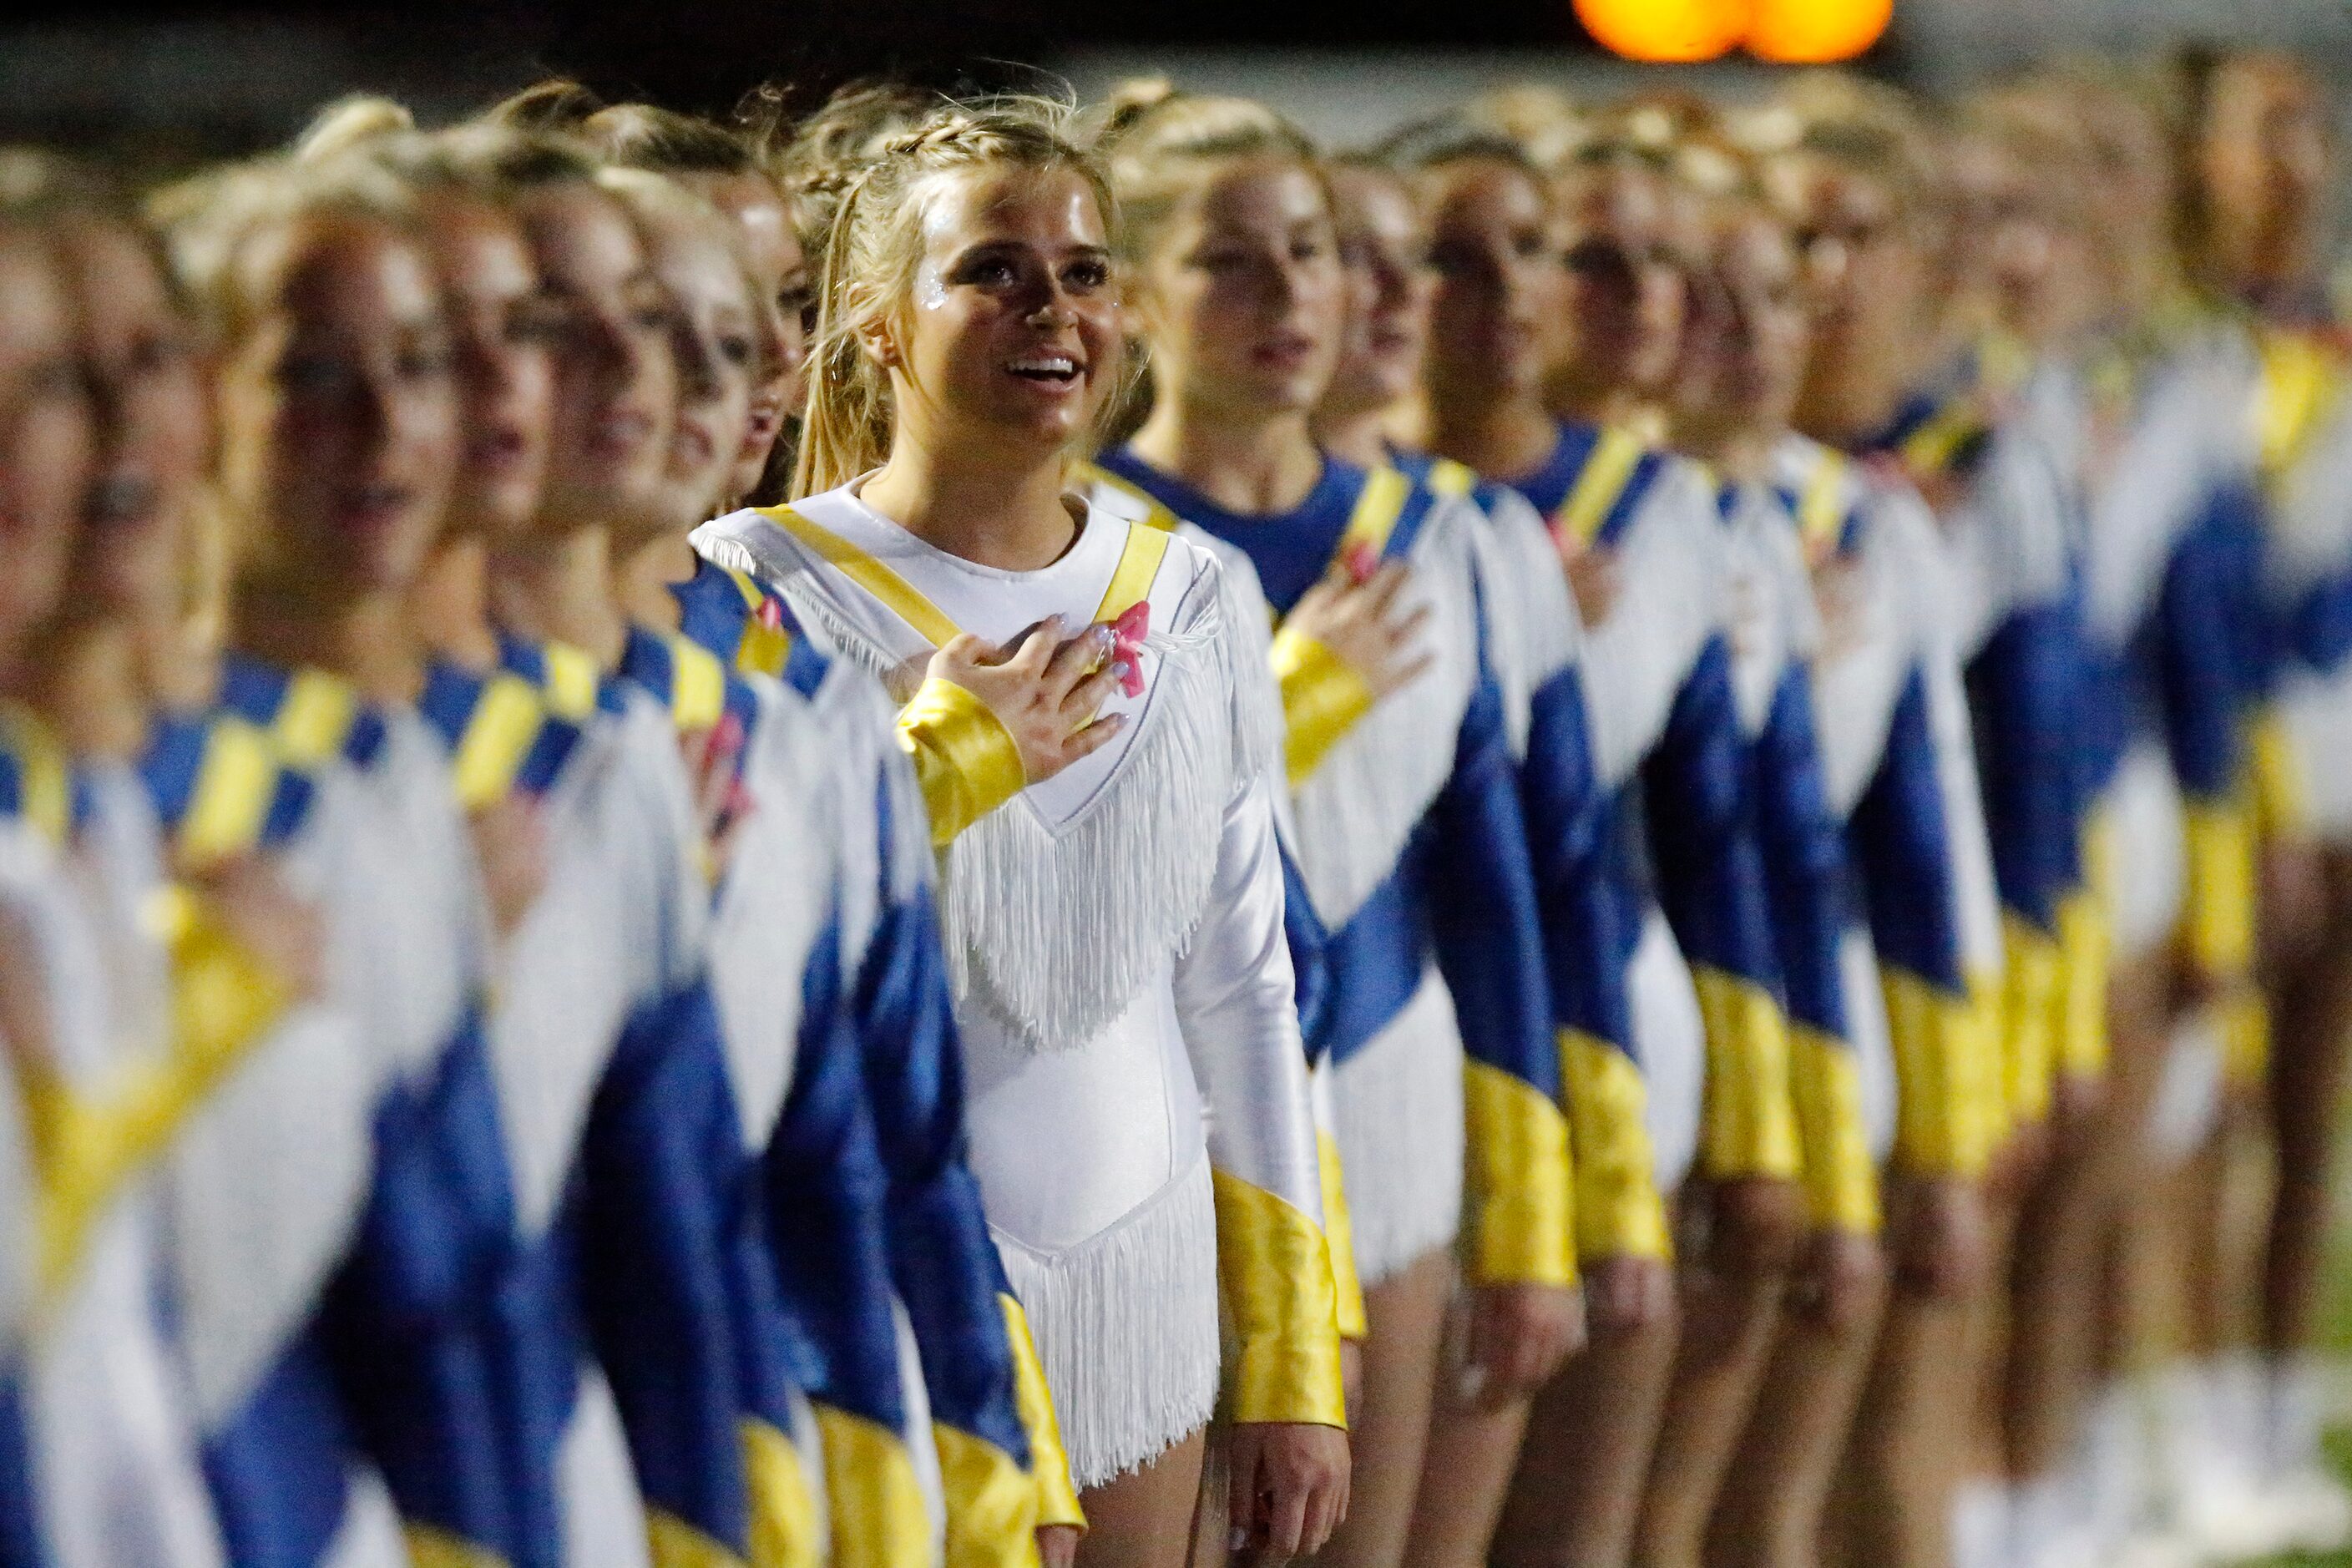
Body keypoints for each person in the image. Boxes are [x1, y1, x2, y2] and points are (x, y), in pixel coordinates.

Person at [693, 98, 1351, 1568]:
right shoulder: (750, 585)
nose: (1050, 308)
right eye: (991, 269)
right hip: (879, 1258)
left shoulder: (1194, 593)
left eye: (1084, 271)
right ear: (876, 324)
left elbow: (1241, 986)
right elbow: (750, 939)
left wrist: (1293, 1350)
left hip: (1145, 1253)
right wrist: (942, 755)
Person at [1084, 87, 1578, 1568]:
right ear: (1140, 299)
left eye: (1309, 252)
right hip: (1162, 1141)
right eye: (1231, 261)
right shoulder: (1090, 544)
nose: (1289, 293)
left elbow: (1502, 889)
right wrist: (1296, 699)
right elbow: (1106, 888)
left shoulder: (1436, 533)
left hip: (1394, 1092)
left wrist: (1541, 1209)